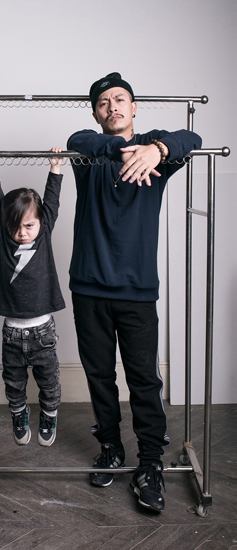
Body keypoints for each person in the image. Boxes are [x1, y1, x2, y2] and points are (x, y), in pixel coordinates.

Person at [67, 72, 202, 512]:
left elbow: (193, 137)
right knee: (99, 376)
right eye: (104, 102)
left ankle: (149, 464)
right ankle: (110, 447)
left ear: (134, 107)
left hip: (137, 290)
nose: (113, 107)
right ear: (96, 113)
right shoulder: (90, 151)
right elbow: (77, 140)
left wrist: (156, 150)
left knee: (144, 380)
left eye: (120, 99)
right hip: (88, 286)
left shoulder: (154, 151)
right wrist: (122, 149)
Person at [0, 148, 65, 446]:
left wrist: (55, 168)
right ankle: (19, 414)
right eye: (15, 227)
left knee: (49, 382)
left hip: (43, 331)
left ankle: (49, 415)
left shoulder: (44, 231)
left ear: (41, 222)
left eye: (29, 225)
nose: (22, 233)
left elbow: (51, 200)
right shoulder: (7, 237)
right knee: (14, 384)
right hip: (12, 332)